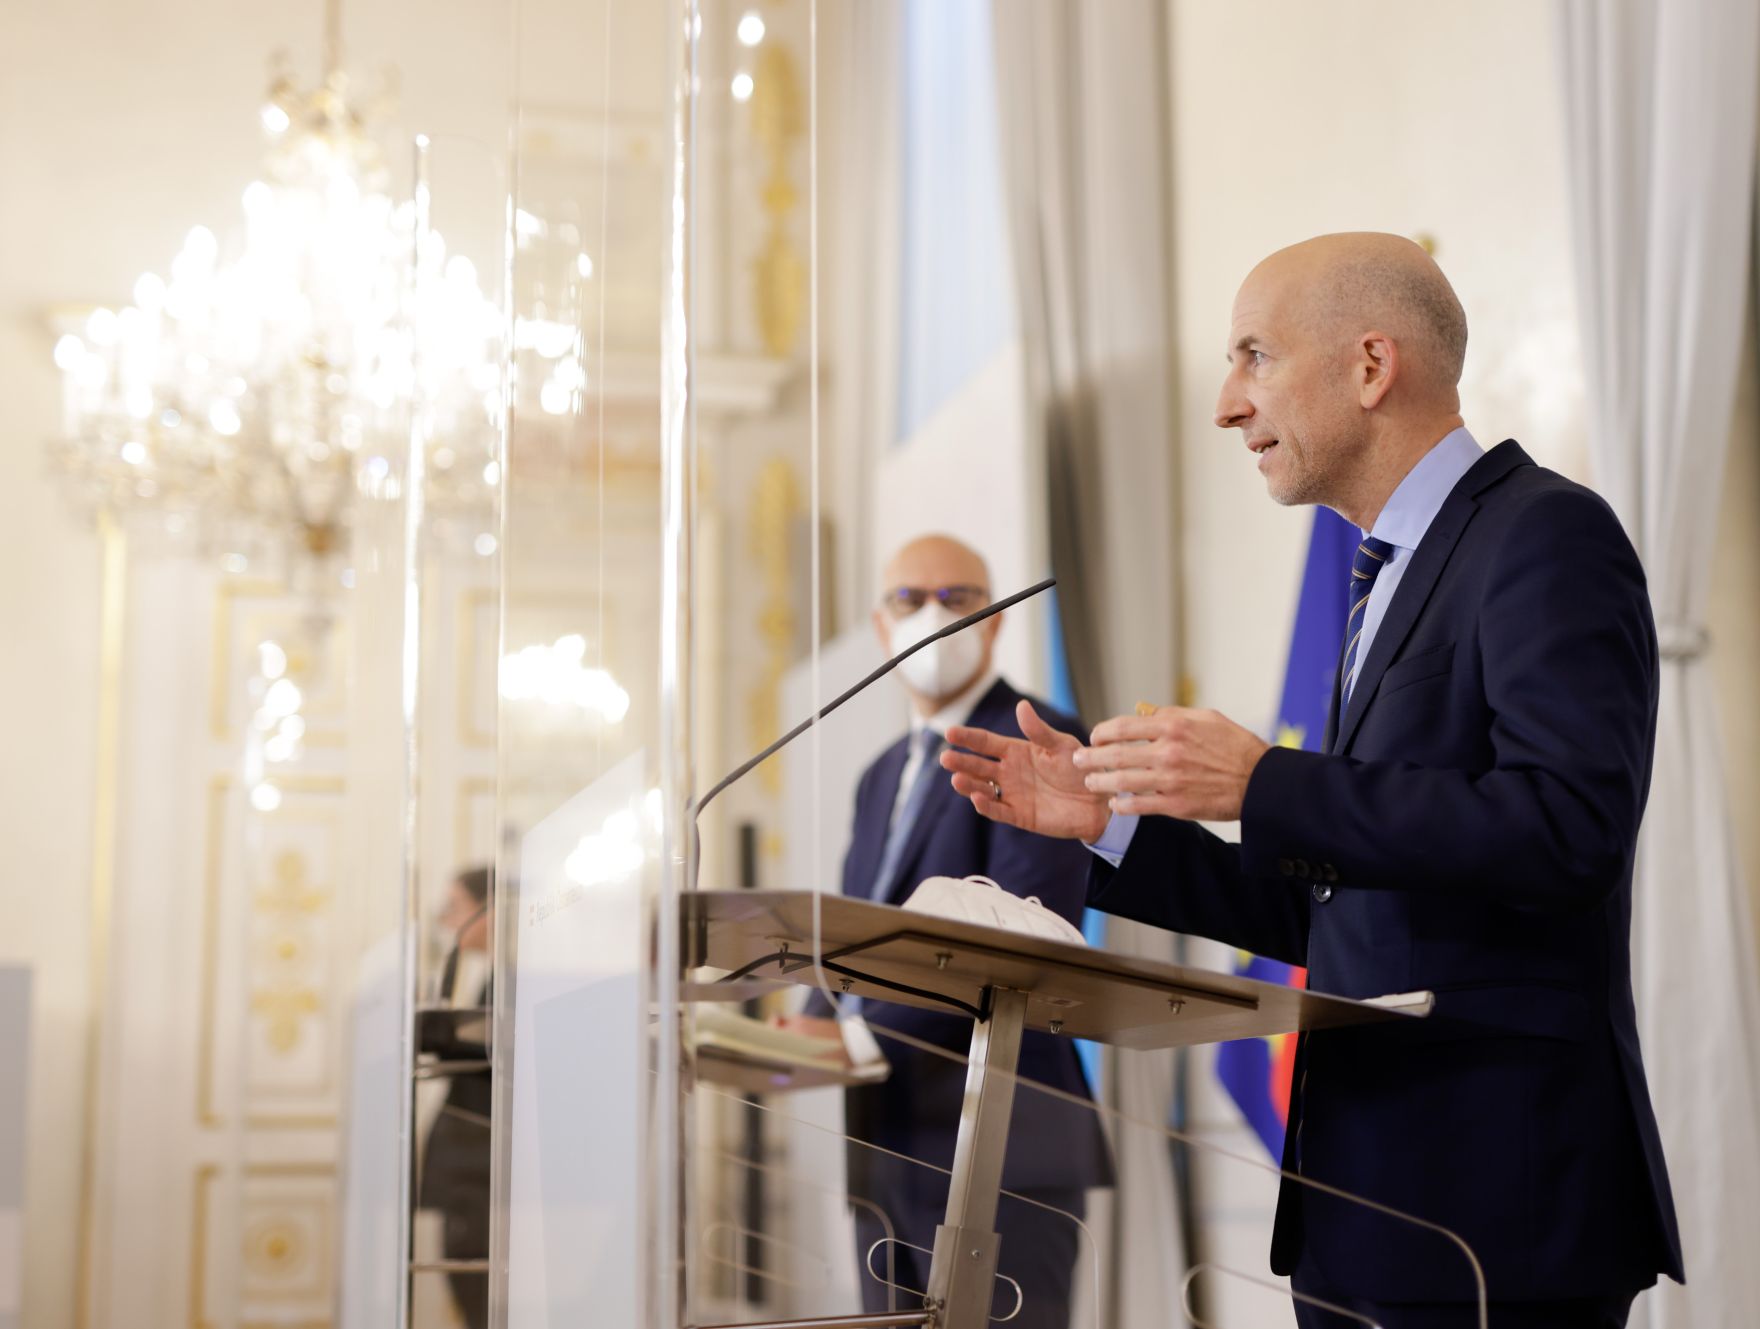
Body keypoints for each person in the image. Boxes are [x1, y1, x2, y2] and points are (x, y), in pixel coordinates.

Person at [941, 234, 1682, 1328]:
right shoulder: (1380, 575)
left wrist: (1266, 783)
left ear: (1369, 367)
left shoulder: (1543, 535)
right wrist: (1110, 831)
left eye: (1252, 357)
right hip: (1358, 1196)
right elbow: (1333, 906)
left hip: (1495, 1201)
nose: (1225, 406)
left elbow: (1568, 828)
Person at [778, 534, 1111, 1329]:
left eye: (959, 597)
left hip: (1001, 1141)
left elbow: (1016, 935)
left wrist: (850, 1041)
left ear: (995, 623)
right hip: (887, 1143)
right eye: (909, 598)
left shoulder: (1039, 742)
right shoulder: (881, 772)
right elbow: (861, 936)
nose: (933, 615)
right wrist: (799, 1033)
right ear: (879, 623)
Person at [419, 866, 494, 1329]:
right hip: (469, 1171)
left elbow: (501, 1053)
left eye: (455, 907)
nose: (447, 921)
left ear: (490, 909)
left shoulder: (520, 972)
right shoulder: (494, 974)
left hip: (482, 1174)